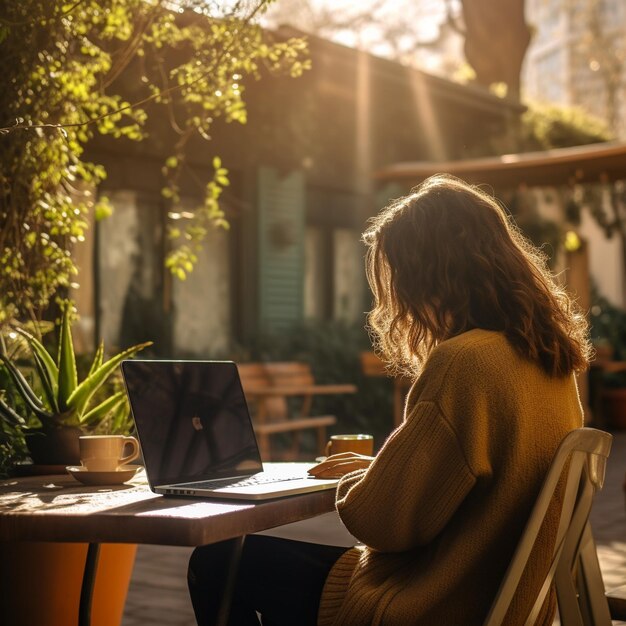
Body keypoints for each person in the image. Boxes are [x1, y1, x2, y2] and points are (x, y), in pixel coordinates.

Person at [187, 174, 591, 625]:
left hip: (429, 604)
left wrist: (355, 485)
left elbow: (383, 524)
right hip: (499, 605)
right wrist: (375, 470)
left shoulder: (464, 363)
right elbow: (462, 484)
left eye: (400, 274)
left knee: (218, 561)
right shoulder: (550, 361)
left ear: (432, 276)